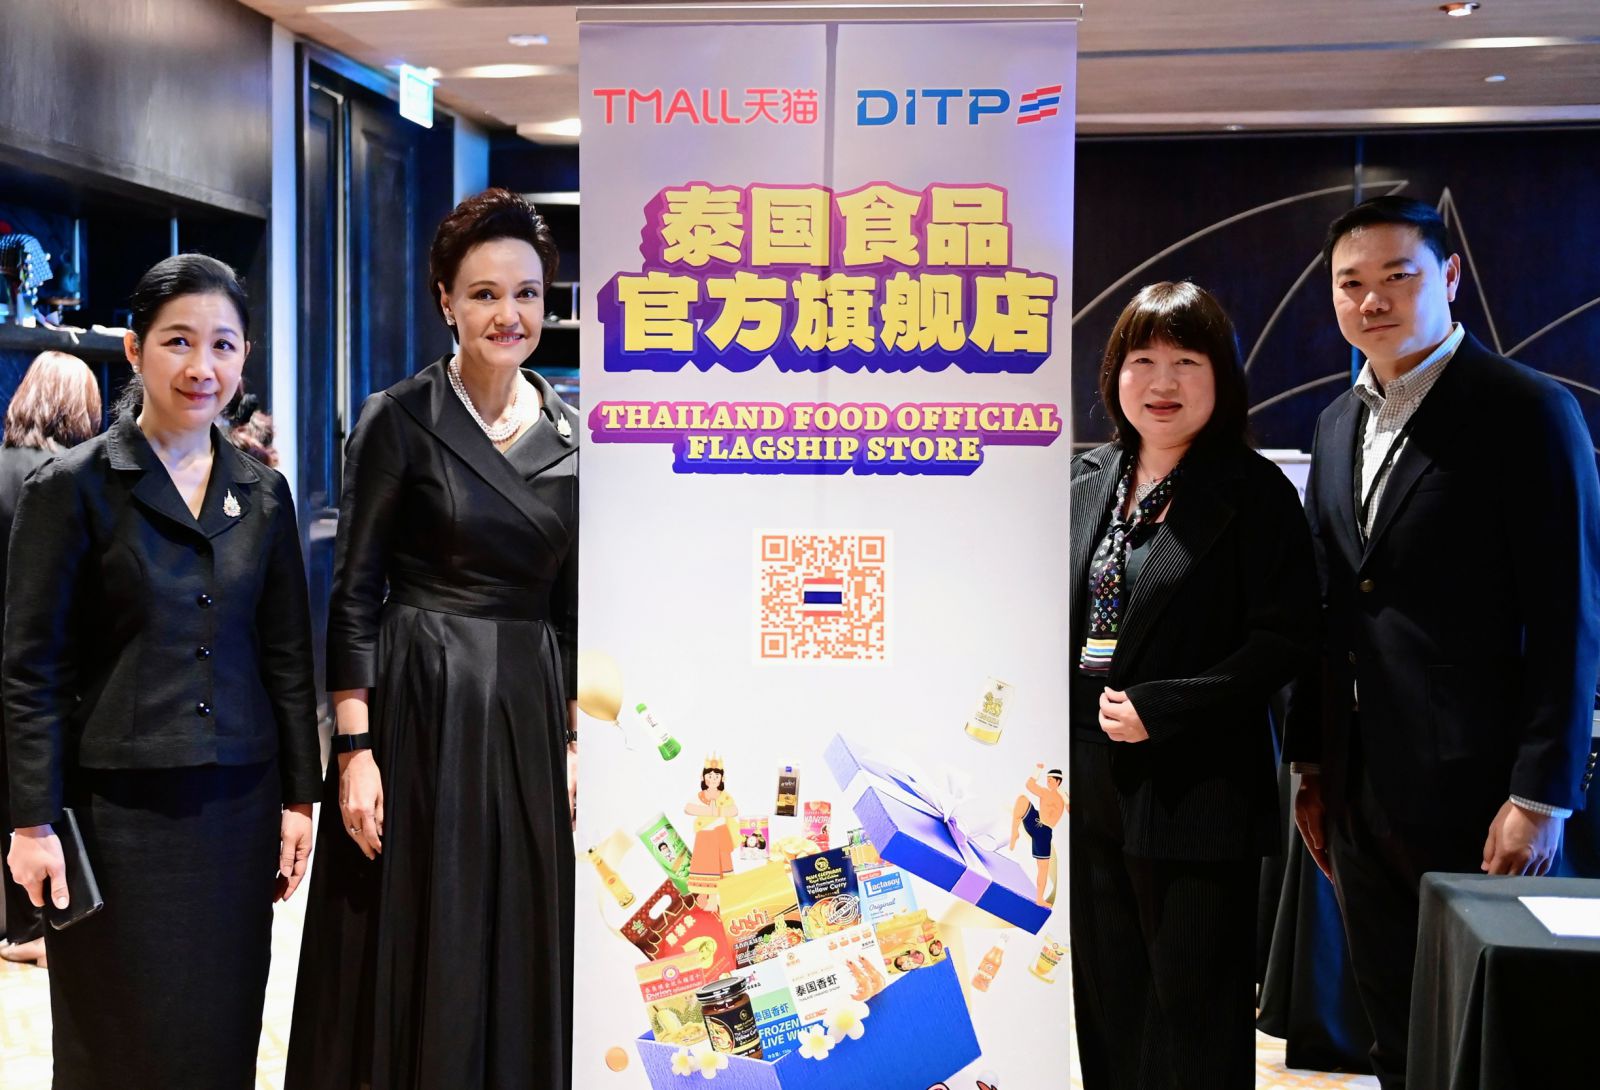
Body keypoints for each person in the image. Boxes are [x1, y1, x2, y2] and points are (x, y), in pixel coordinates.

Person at [1286, 195, 1600, 1089]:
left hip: (1482, 788)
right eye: (1351, 283)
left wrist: (1540, 795)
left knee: (1485, 1040)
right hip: (1360, 787)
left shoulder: (1527, 411)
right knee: (1394, 1026)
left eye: (1398, 276)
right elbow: (1328, 608)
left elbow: (1571, 614)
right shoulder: (1337, 422)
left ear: (1449, 277)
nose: (1372, 300)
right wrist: (1311, 766)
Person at [2, 255, 320, 1088]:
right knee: (113, 1040)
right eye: (179, 341)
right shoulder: (70, 488)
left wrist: (300, 798)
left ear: (244, 357)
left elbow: (288, 657)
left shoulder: (263, 494)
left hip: (238, 812)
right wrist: (31, 822)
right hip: (114, 817)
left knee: (220, 1034)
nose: (201, 366)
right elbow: (31, 670)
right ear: (135, 349)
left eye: (223, 345)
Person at [286, 188, 579, 1090]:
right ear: (446, 301)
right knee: (413, 925)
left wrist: (572, 741)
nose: (508, 314)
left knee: (514, 928)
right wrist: (355, 751)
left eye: (526, 294)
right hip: (419, 704)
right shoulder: (398, 418)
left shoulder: (572, 435)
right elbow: (354, 594)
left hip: (526, 708)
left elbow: (571, 608)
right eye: (484, 293)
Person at [1068, 281, 1318, 1090]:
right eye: (1142, 361)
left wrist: (1166, 706)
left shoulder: (1255, 493)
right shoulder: (1087, 478)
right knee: (1108, 1001)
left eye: (1186, 361)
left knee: (1194, 1016)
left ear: (1221, 377)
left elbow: (1286, 640)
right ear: (1114, 374)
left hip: (1198, 788)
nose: (1162, 383)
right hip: (1089, 783)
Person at [0, 350, 101, 969]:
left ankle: (18, 924)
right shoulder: (69, 481)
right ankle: (43, 921)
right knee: (42, 787)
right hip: (50, 669)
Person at [684, 757, 737, 910]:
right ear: (703, 777)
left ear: (722, 778)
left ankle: (715, 898)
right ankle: (704, 894)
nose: (713, 779)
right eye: (710, 775)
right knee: (706, 867)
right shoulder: (700, 796)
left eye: (716, 776)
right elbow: (688, 808)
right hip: (705, 835)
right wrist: (710, 811)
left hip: (720, 834)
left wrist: (717, 811)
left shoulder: (724, 796)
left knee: (720, 867)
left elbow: (733, 811)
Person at [1009, 763, 1063, 905]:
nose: (1048, 783)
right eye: (1047, 780)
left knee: (1043, 868)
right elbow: (1029, 785)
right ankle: (1014, 832)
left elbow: (1030, 786)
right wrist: (1037, 770)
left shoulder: (1059, 798)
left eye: (1050, 780)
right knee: (1022, 799)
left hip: (1044, 831)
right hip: (1036, 820)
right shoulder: (1046, 792)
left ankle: (1039, 898)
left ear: (1058, 782)